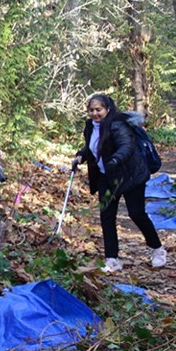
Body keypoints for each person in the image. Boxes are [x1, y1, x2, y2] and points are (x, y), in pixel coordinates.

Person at [70, 93, 166, 272]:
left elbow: (126, 146)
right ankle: (112, 259)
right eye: (91, 110)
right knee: (107, 216)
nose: (95, 113)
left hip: (130, 177)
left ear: (107, 109)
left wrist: (115, 160)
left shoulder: (118, 124)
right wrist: (81, 156)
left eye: (98, 109)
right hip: (108, 179)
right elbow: (92, 147)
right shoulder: (91, 126)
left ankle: (157, 249)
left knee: (136, 213)